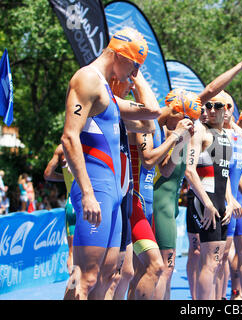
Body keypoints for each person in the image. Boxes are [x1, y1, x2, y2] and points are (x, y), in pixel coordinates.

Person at [61, 27, 162, 300]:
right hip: (96, 188)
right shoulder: (87, 79)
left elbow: (152, 114)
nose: (135, 73)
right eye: (135, 65)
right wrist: (88, 193)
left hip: (115, 194)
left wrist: (136, 77)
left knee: (109, 274)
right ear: (120, 55)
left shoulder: (108, 92)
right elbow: (69, 137)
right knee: (84, 277)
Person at [185, 91, 241, 300]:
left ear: (227, 110)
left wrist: (229, 200)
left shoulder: (226, 137)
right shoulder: (200, 131)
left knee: (217, 261)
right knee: (208, 261)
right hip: (204, 202)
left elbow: (223, 174)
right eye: (208, 106)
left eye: (217, 106)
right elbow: (189, 171)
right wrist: (208, 204)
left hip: (219, 203)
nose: (210, 110)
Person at [216, 94, 242, 300]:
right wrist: (230, 198)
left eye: (230, 106)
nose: (226, 110)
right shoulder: (219, 136)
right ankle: (224, 295)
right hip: (224, 201)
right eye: (223, 106)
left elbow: (238, 173)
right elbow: (221, 172)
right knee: (222, 255)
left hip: (238, 201)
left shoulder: (238, 139)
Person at [44, 144, 76, 270]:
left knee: (72, 252)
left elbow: (47, 174)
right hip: (89, 201)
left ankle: (74, 286)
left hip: (72, 203)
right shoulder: (90, 141)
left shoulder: (61, 148)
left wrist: (66, 178)